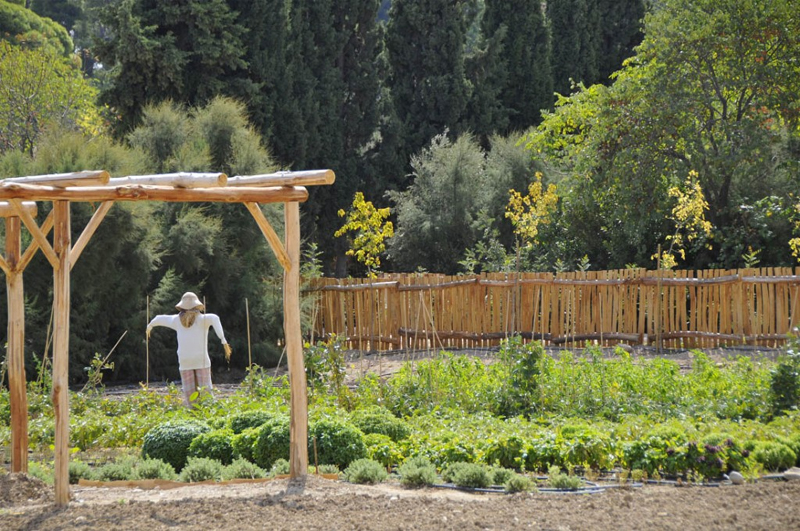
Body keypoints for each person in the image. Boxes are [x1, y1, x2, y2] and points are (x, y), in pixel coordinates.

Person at [146, 292, 232, 407]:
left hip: (184, 360)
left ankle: (191, 412)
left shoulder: (176, 320)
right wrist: (223, 340)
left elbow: (158, 319)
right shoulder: (204, 319)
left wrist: (150, 326)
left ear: (181, 306)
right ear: (197, 305)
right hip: (201, 360)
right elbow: (215, 318)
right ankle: (208, 411)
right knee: (206, 391)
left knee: (189, 393)